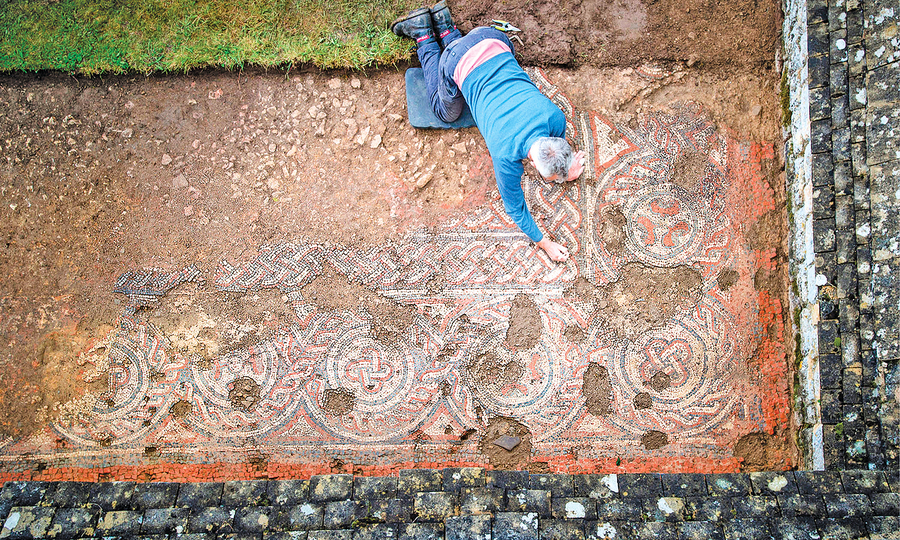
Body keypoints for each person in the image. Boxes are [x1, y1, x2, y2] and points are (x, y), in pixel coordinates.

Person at [391, 1, 586, 262]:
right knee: (445, 111)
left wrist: (565, 169)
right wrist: (545, 244)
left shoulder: (553, 116)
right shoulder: (505, 154)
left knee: (486, 66)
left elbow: (558, 147)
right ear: (533, 165)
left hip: (491, 38)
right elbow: (515, 209)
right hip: (456, 59)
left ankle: (446, 25)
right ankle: (423, 34)